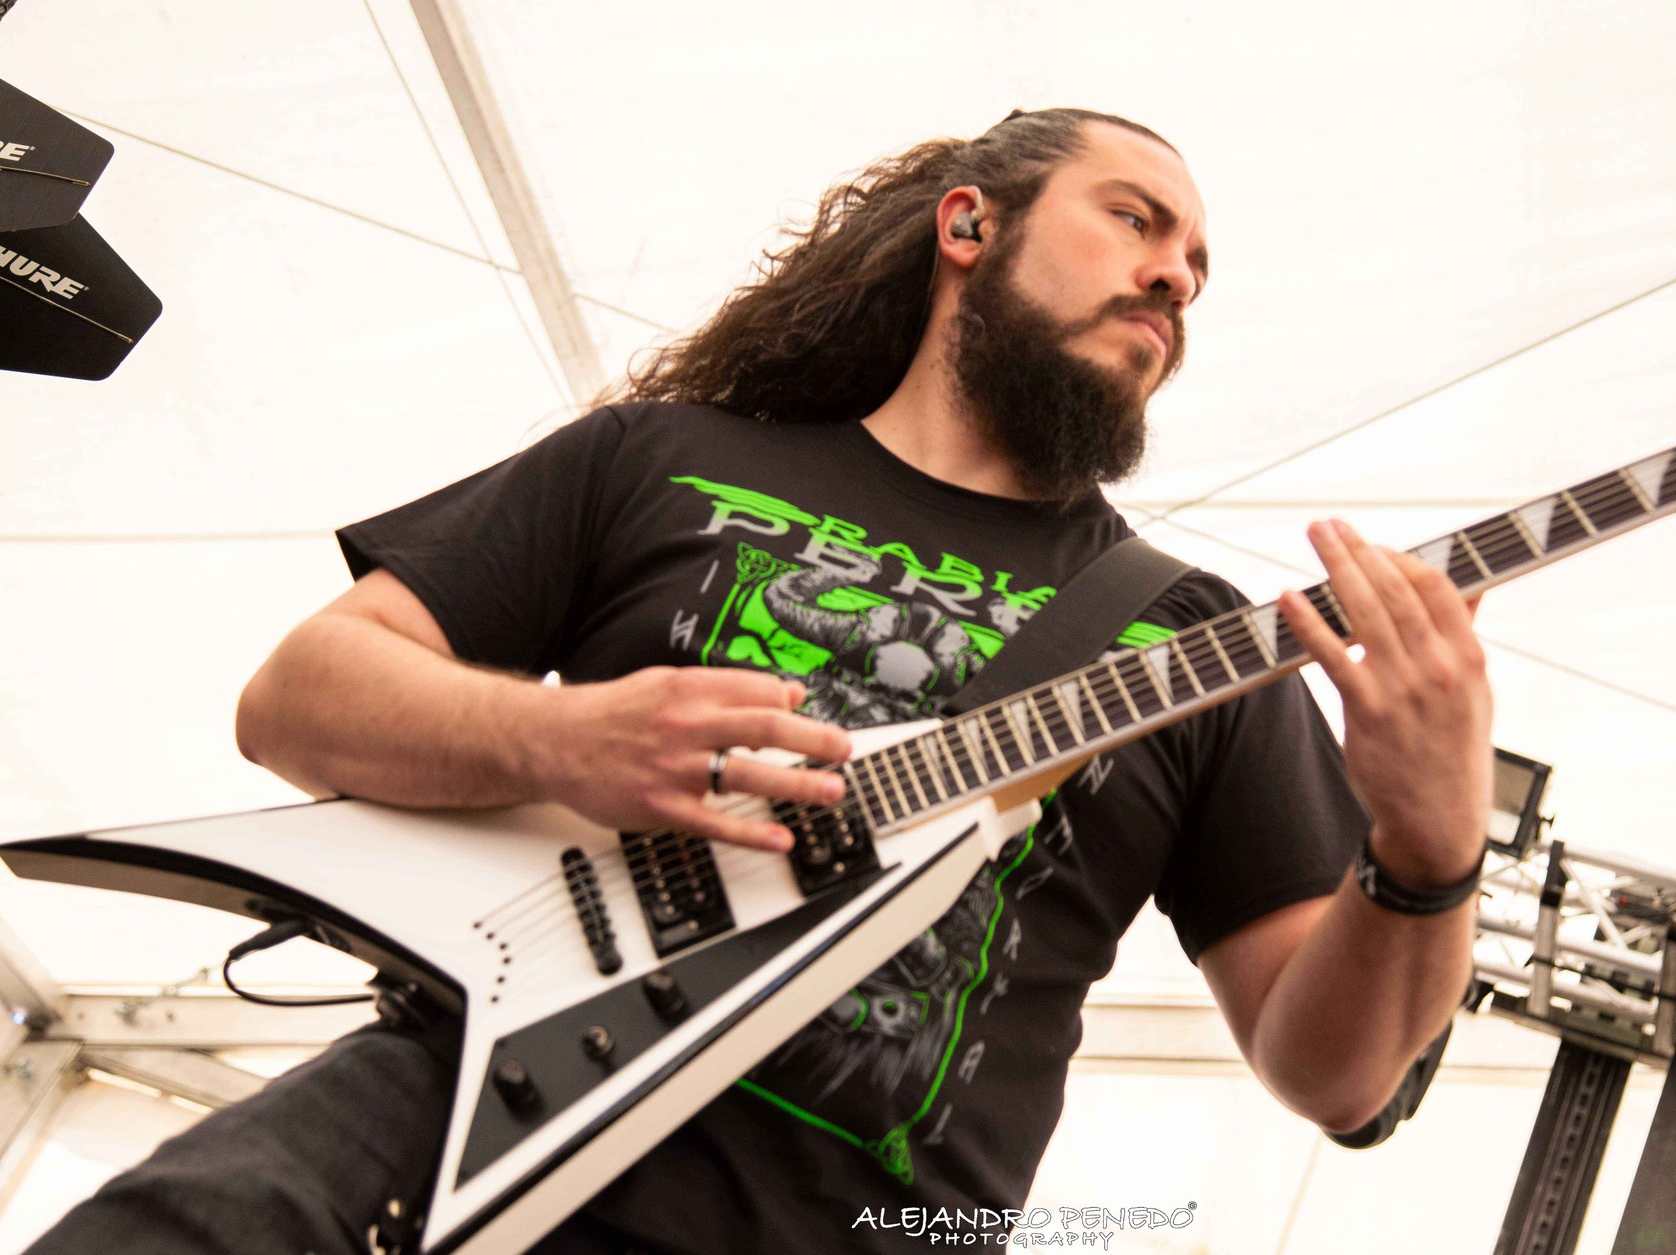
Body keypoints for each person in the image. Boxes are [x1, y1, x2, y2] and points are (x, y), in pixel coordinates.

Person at [28, 108, 1492, 1253]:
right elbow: (298, 698)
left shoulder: (1190, 636)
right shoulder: (661, 456)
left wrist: (1431, 853)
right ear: (969, 224)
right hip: (430, 1119)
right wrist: (561, 737)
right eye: (1136, 220)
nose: (1176, 275)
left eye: (1198, 268)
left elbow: (1337, 1077)